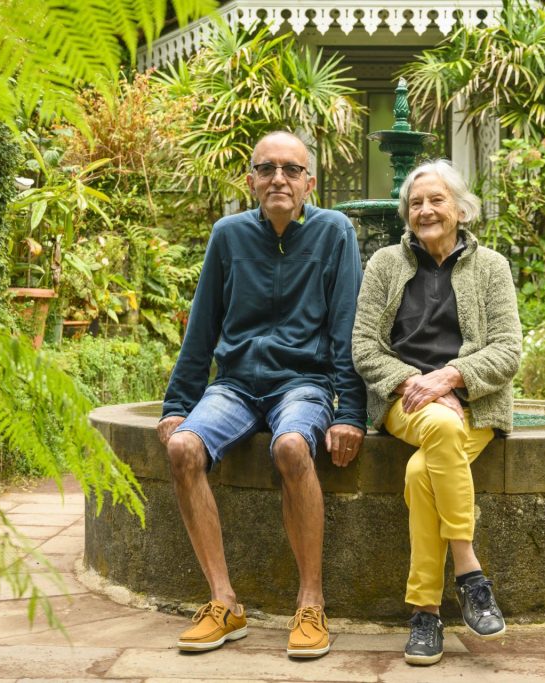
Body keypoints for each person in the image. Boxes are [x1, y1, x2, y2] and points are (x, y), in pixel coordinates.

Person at [157, 131, 367, 659]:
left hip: (304, 383)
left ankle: (311, 603)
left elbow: (347, 328)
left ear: (309, 183)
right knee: (182, 447)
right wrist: (177, 405)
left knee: (292, 447)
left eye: (291, 170)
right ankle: (224, 603)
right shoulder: (227, 236)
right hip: (236, 385)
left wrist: (352, 413)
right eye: (267, 169)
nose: (279, 178)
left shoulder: (334, 232)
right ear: (250, 181)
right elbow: (202, 327)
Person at [352, 159, 522, 666]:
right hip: (405, 401)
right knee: (442, 427)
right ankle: (470, 572)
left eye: (436, 200)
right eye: (416, 203)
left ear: (461, 209)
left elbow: (509, 350)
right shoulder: (384, 263)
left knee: (421, 470)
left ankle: (425, 612)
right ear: (407, 213)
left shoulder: (491, 267)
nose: (425, 210)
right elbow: (364, 346)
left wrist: (451, 377)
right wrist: (414, 381)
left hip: (472, 404)